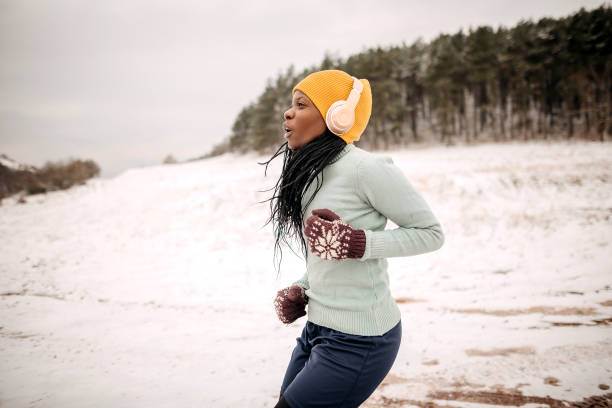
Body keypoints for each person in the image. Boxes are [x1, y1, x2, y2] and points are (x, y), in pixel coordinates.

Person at [259, 69, 445, 408]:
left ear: (338, 116)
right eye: (290, 105)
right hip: (317, 328)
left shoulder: (365, 169)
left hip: (361, 339)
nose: (288, 113)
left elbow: (430, 234)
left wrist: (360, 243)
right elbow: (326, 254)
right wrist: (305, 288)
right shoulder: (313, 173)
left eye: (301, 104)